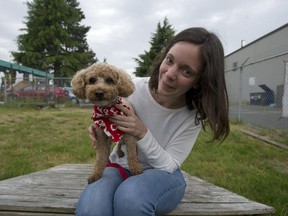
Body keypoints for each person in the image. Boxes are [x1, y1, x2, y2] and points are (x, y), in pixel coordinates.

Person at [76, 27, 230, 216]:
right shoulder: (134, 89)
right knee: (93, 208)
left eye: (187, 71)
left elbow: (170, 165)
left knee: (130, 198)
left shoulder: (193, 115)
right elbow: (112, 109)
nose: (170, 73)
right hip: (120, 167)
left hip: (165, 176)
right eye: (170, 60)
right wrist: (100, 125)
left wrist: (142, 132)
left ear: (199, 80)